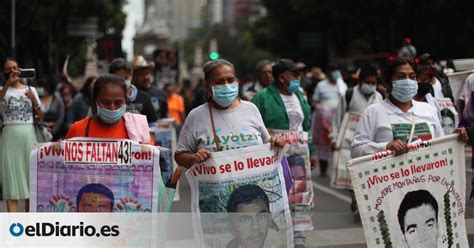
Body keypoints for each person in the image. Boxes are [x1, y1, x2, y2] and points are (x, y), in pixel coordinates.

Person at [174, 59, 284, 169]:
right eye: (219, 82)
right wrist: (194, 158)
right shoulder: (196, 116)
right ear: (208, 86)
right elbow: (180, 156)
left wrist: (276, 141)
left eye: (231, 80)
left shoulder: (250, 109)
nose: (226, 85)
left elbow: (267, 143)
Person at [351, 58, 444, 158]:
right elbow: (356, 150)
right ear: (387, 83)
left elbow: (443, 145)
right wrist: (385, 147)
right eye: (401, 77)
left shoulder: (428, 110)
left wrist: (456, 138)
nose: (408, 81)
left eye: (412, 77)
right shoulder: (373, 112)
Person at [330, 64, 383, 216]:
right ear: (360, 81)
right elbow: (338, 117)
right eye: (368, 82)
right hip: (348, 141)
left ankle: (366, 203)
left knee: (369, 173)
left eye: (374, 83)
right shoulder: (349, 94)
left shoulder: (378, 97)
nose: (371, 85)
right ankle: (355, 199)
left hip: (370, 142)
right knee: (349, 173)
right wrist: (334, 137)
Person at [252, 59, 317, 168]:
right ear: (281, 78)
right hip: (275, 159)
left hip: (300, 157)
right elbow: (253, 130)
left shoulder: (299, 95)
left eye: (299, 75)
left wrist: (312, 151)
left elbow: (305, 126)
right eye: (295, 75)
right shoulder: (261, 98)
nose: (299, 78)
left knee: (300, 185)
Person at [0, 58, 43, 212]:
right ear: (4, 72)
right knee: (11, 183)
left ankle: (28, 225)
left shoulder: (31, 90)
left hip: (28, 135)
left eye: (15, 68)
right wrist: (7, 84)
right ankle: (14, 230)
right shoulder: (2, 90)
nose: (12, 71)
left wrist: (34, 101)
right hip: (9, 136)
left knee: (30, 181)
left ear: (20, 69)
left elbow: (41, 117)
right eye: (8, 69)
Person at [66, 74, 151, 144]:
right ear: (96, 101)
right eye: (105, 102)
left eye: (118, 103)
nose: (112, 108)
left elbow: (153, 159)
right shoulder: (78, 129)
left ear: (125, 101)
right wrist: (57, 152)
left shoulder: (138, 129)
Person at [311, 64, 347, 176]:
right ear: (328, 74)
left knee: (338, 143)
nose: (335, 75)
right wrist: (320, 110)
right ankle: (323, 168)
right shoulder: (321, 85)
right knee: (323, 144)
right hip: (323, 121)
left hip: (338, 120)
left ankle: (338, 169)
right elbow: (314, 101)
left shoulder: (342, 86)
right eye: (332, 72)